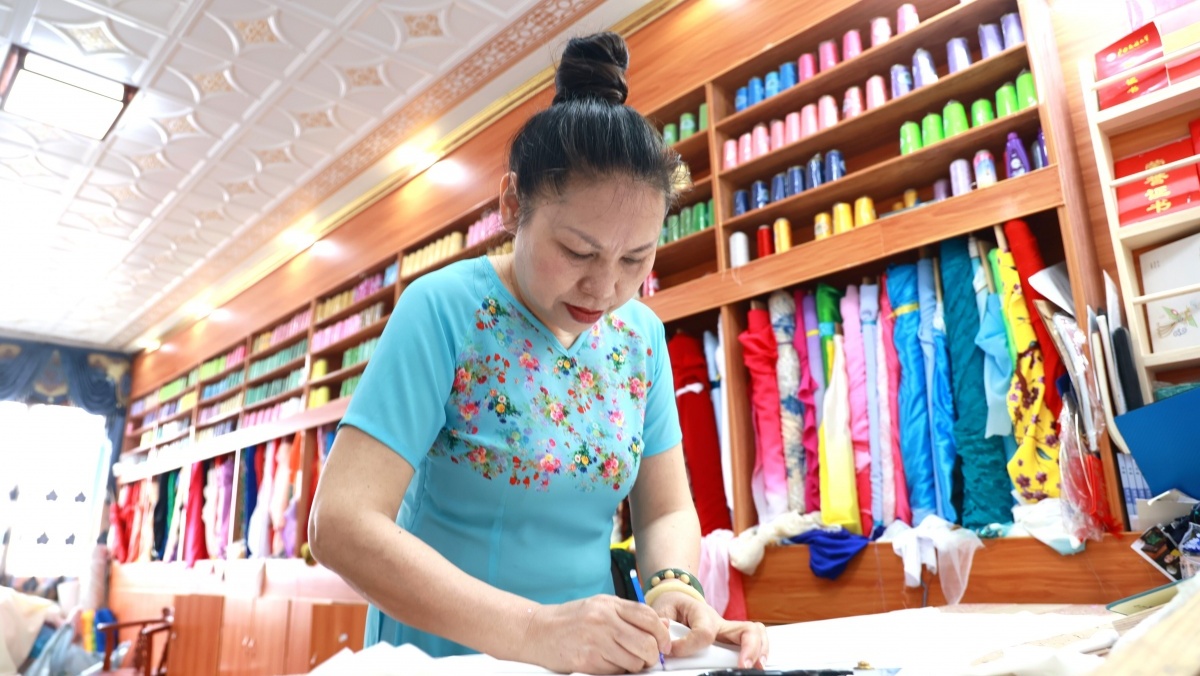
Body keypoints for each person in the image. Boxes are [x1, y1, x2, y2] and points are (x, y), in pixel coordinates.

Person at [309, 31, 769, 674]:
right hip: (446, 658)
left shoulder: (639, 337)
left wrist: (675, 588)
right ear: (512, 204)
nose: (604, 289)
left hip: (587, 659)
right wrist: (534, 630)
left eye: (635, 259)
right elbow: (340, 523)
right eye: (578, 252)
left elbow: (664, 507)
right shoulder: (444, 309)